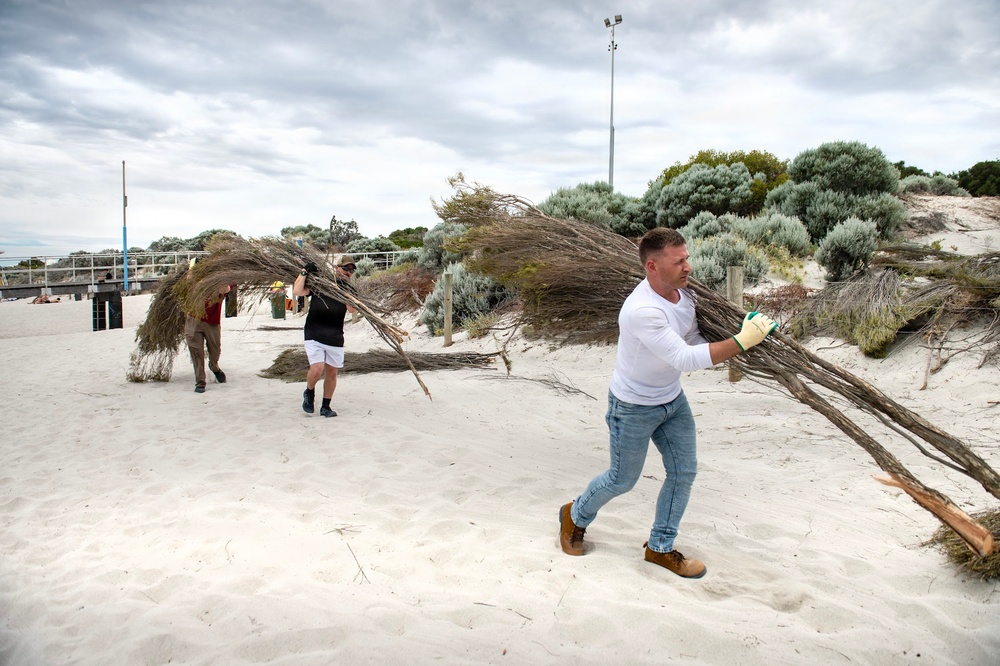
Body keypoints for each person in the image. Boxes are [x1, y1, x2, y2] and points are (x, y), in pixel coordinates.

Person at [558, 227, 778, 579]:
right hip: (632, 406)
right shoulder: (642, 310)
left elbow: (690, 337)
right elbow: (685, 359)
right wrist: (742, 341)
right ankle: (575, 515)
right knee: (621, 479)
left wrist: (737, 332)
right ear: (652, 266)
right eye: (679, 261)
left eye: (687, 257)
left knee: (684, 471)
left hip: (671, 400)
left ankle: (660, 548)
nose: (688, 266)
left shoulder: (684, 295)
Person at [293, 255, 358, 418]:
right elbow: (298, 291)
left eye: (351, 270)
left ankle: (325, 407)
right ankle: (309, 393)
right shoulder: (320, 283)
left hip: (335, 336)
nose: (348, 272)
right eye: (345, 268)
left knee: (332, 373)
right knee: (317, 369)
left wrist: (346, 292)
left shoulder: (349, 289)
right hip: (314, 332)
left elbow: (352, 310)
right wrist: (304, 272)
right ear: (337, 268)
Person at [184, 264, 233, 394]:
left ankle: (214, 366)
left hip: (212, 322)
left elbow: (227, 288)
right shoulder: (195, 279)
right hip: (194, 319)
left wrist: (217, 280)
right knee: (196, 352)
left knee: (215, 350)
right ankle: (200, 382)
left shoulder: (224, 280)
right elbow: (187, 283)